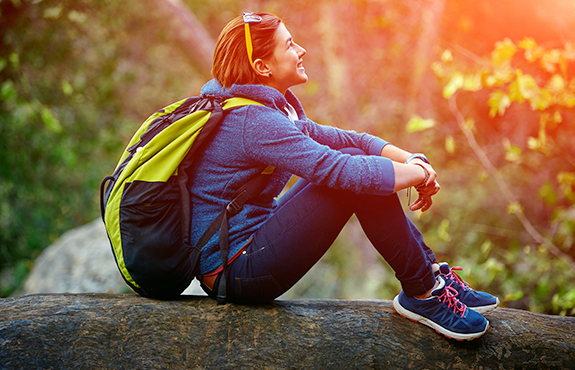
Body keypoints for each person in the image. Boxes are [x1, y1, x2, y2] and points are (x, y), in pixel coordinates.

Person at [190, 12, 499, 341]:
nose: (302, 50)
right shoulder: (253, 121)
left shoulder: (262, 110)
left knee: (356, 159)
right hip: (236, 271)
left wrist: (412, 160)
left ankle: (430, 278)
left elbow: (351, 140)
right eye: (290, 45)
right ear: (263, 67)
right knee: (353, 175)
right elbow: (340, 169)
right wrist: (417, 175)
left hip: (244, 252)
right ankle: (424, 292)